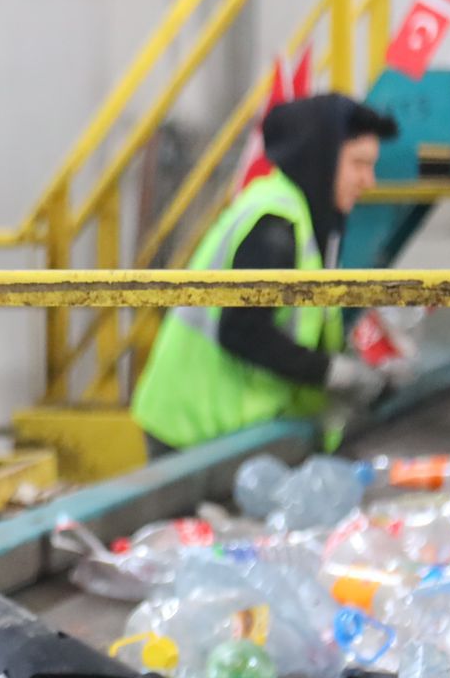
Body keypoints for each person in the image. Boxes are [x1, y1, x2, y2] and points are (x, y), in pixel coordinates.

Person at [131, 93, 401, 457]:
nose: (368, 181)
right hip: (195, 429)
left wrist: (357, 353)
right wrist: (335, 373)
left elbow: (302, 321)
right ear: (321, 159)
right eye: (358, 164)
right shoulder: (274, 223)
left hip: (227, 429)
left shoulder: (309, 218)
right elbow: (243, 329)